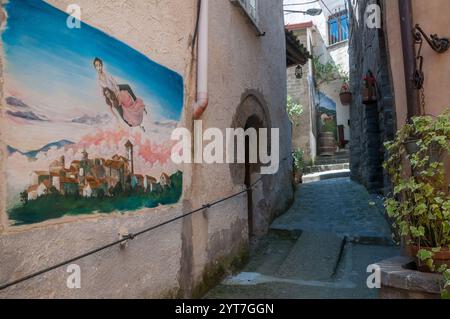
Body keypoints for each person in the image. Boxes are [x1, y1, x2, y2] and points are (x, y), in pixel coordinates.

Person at [94, 57, 147, 130]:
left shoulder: (107, 74)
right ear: (95, 67)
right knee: (122, 114)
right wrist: (109, 101)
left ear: (102, 65)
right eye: (97, 66)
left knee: (127, 86)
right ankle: (133, 125)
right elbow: (102, 92)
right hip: (111, 96)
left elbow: (114, 82)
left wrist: (118, 92)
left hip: (116, 89)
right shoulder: (98, 80)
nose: (99, 67)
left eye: (100, 65)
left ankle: (135, 100)